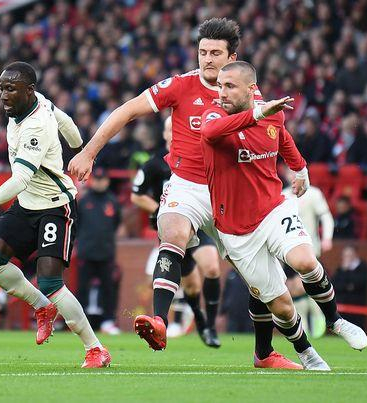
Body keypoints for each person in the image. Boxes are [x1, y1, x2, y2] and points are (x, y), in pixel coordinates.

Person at [70, 18, 292, 368]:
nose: (207, 59)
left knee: (258, 277)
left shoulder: (249, 95)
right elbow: (127, 110)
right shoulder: (180, 85)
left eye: (215, 53)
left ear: (232, 57)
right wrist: (89, 152)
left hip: (230, 190)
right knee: (172, 231)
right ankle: (159, 320)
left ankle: (264, 353)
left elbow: (272, 139)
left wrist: (294, 170)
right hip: (187, 184)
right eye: (203, 52)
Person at [200, 61, 367, 370]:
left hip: (273, 210)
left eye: (229, 86)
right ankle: (306, 352)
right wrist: (257, 114)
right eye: (220, 86)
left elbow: (282, 138)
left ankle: (336, 321)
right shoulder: (213, 115)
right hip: (237, 231)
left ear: (251, 89)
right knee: (282, 307)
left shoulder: (272, 113)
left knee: (305, 261)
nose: (221, 92)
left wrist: (300, 169)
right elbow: (210, 133)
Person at [0, 62, 111, 368]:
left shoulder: (36, 126)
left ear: (29, 90)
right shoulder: (36, 105)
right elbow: (67, 122)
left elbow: (21, 179)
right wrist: (80, 148)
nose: (3, 95)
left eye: (11, 89)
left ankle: (95, 349)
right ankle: (42, 307)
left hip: (55, 206)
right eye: (1, 88)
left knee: (51, 281)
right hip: (27, 205)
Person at [130, 117, 219, 346]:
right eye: (169, 129)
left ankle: (210, 326)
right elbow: (136, 195)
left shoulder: (197, 157)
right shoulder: (155, 163)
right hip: (174, 229)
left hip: (198, 223)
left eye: (176, 128)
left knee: (211, 267)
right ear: (164, 134)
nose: (173, 133)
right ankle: (197, 317)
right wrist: (161, 209)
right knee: (191, 285)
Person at [281, 164, 333, 337]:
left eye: (294, 171)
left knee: (308, 287)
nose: (291, 175)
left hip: (310, 250)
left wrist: (327, 237)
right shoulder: (283, 195)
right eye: (288, 171)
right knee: (295, 290)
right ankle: (304, 328)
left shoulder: (313, 193)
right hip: (289, 251)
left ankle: (319, 324)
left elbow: (325, 216)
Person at [76, 166, 122, 335]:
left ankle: (108, 321)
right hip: (86, 252)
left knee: (108, 289)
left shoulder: (113, 201)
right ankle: (80, 322)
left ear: (107, 181)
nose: (99, 182)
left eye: (102, 180)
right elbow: (77, 224)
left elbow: (116, 224)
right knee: (82, 288)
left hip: (106, 253)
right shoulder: (84, 201)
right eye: (96, 179)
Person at [332, 245, 367, 329]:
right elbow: (335, 285)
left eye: (349, 255)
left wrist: (346, 285)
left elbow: (358, 284)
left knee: (357, 329)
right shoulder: (341, 269)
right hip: (342, 306)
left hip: (357, 306)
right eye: (345, 255)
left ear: (355, 254)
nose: (346, 258)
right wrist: (344, 272)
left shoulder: (363, 267)